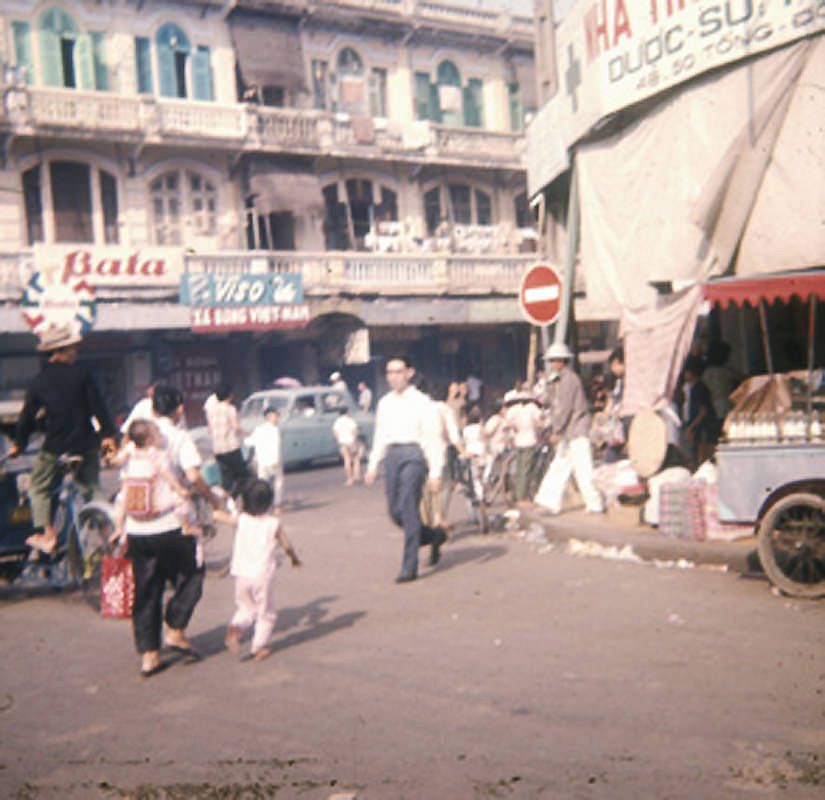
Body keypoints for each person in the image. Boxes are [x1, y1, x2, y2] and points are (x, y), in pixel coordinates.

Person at [124, 384, 219, 677]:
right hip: (172, 526)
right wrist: (210, 497)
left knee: (147, 587)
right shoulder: (179, 438)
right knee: (192, 574)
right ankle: (175, 627)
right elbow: (194, 476)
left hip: (137, 528)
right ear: (179, 409)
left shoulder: (137, 437)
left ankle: (149, 655)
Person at [9, 323, 116, 554]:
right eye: (72, 348)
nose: (75, 352)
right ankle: (109, 531)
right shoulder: (83, 373)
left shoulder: (39, 381)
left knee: (38, 487)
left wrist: (19, 444)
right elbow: (98, 406)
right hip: (87, 443)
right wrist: (108, 435)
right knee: (91, 488)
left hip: (56, 447)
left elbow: (26, 417)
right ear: (62, 351)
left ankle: (48, 535)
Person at [365, 355, 445, 583]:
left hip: (414, 454)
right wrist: (373, 465)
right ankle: (433, 535)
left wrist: (436, 471)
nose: (393, 377)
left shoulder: (422, 402)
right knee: (395, 512)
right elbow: (380, 435)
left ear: (409, 373)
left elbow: (432, 437)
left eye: (398, 372)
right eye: (389, 372)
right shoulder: (385, 403)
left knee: (408, 506)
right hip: (392, 455)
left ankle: (409, 566)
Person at [220, 479, 301, 662]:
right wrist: (294, 559)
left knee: (246, 607)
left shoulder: (241, 520)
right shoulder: (273, 523)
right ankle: (258, 646)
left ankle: (236, 627)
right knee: (266, 613)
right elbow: (287, 546)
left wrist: (219, 503)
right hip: (262, 575)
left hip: (241, 573)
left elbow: (219, 516)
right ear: (269, 501)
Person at [534, 343, 604, 515]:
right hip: (568, 431)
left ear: (561, 361)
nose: (551, 365)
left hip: (577, 429)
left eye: (553, 361)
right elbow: (555, 405)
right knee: (560, 465)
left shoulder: (570, 380)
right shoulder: (558, 380)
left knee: (583, 468)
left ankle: (595, 504)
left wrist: (556, 431)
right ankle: (549, 502)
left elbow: (565, 408)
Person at [110, 418, 193, 543]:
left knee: (120, 500)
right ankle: (186, 527)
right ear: (149, 440)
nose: (161, 437)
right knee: (180, 500)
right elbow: (166, 474)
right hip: (153, 504)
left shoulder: (130, 449)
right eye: (158, 434)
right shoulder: (155, 454)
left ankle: (118, 528)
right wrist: (179, 489)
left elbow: (118, 460)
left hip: (131, 500)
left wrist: (112, 459)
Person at [206, 382, 247, 496]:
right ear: (229, 395)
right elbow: (235, 427)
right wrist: (246, 433)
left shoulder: (211, 410)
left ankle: (228, 502)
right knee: (242, 477)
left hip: (218, 449)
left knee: (226, 479)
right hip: (231, 447)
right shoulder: (230, 409)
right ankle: (234, 499)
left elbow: (209, 428)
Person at [504, 386, 543, 505]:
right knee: (526, 470)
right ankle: (522, 498)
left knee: (520, 470)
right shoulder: (533, 409)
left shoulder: (514, 410)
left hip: (518, 441)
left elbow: (508, 425)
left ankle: (518, 495)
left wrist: (517, 429)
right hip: (529, 441)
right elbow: (540, 422)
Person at [679, 355, 718, 470]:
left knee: (701, 453)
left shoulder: (700, 388)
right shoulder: (689, 388)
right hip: (693, 424)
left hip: (701, 426)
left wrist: (691, 427)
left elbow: (703, 411)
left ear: (692, 372)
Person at [244, 405, 284, 512]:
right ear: (269, 416)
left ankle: (262, 504)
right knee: (278, 482)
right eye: (276, 416)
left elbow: (248, 442)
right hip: (274, 461)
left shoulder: (258, 429)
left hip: (261, 461)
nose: (277, 418)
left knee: (262, 483)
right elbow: (276, 445)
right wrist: (275, 459)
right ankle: (277, 505)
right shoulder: (275, 430)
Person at [333, 406, 364, 485]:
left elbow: (335, 433)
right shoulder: (350, 420)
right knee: (356, 459)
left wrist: (339, 439)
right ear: (347, 412)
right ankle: (357, 476)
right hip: (351, 441)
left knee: (347, 460)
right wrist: (354, 439)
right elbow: (355, 431)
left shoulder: (337, 421)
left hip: (343, 442)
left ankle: (349, 479)